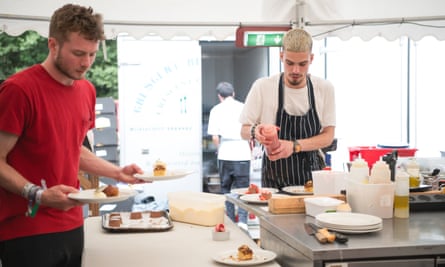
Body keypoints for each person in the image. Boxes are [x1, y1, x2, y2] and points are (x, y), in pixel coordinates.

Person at [0, 4, 145, 267]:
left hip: (72, 223)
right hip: (26, 228)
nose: (86, 63)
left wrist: (117, 172)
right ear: (52, 45)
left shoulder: (86, 90)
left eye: (91, 54)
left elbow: (72, 149)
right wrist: (38, 194)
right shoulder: (18, 90)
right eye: (78, 53)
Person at [239, 28, 336, 189]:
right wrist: (256, 131)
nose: (295, 70)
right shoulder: (263, 87)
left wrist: (294, 146)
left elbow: (328, 137)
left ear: (311, 59)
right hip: (274, 178)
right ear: (281, 56)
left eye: (302, 64)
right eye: (289, 63)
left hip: (312, 178)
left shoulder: (324, 88)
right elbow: (243, 131)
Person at [207, 82, 251, 226]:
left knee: (226, 189)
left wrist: (219, 149)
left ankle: (231, 220)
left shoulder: (216, 110)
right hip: (243, 152)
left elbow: (215, 137)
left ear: (220, 96)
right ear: (233, 93)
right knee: (243, 189)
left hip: (225, 153)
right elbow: (251, 132)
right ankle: (243, 221)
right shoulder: (244, 107)